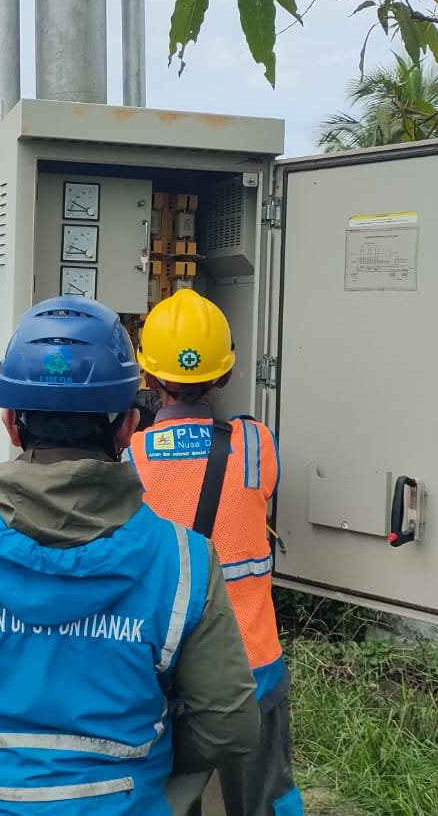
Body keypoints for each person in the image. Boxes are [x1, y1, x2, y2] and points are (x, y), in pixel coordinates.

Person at [0, 296, 261, 815]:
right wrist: (148, 765)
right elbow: (229, 724)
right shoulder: (186, 563)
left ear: (11, 422)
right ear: (127, 426)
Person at [128, 289, 300, 816]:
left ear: (148, 378)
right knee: (266, 797)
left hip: (165, 670)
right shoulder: (255, 443)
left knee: (175, 798)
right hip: (253, 667)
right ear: (225, 374)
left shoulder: (130, 457)